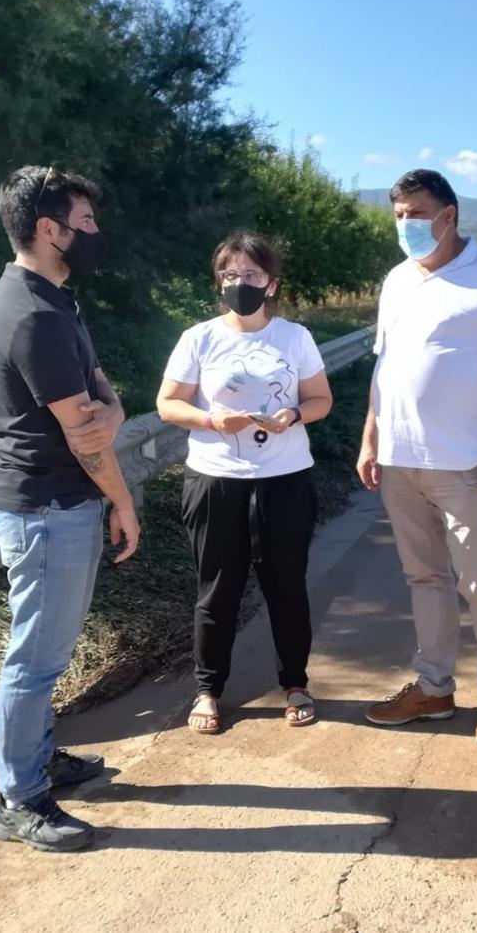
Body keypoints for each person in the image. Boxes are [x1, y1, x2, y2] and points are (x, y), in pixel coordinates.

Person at [0, 165, 141, 853]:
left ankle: (40, 759)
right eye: (85, 224)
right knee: (35, 662)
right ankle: (18, 799)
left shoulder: (51, 300)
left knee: (47, 652)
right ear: (48, 230)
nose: (95, 235)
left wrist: (108, 408)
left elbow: (103, 394)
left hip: (57, 502)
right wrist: (125, 502)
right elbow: (86, 432)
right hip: (46, 507)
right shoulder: (36, 315)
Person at [358, 169, 477, 745]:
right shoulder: (396, 280)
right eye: (399, 215)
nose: (407, 225)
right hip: (401, 460)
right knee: (424, 578)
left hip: (468, 464)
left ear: (449, 215)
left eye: (416, 213)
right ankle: (434, 689)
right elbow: (383, 368)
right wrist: (370, 437)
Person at [157, 231, 333, 734]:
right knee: (217, 591)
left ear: (271, 283)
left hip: (285, 480)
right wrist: (213, 421)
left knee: (287, 588)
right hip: (216, 481)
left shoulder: (294, 337)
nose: (240, 283)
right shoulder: (199, 337)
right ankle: (209, 690)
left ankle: (295, 683)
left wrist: (294, 414)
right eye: (230, 275)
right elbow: (168, 403)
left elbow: (321, 400)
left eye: (251, 275)